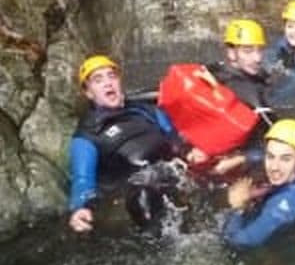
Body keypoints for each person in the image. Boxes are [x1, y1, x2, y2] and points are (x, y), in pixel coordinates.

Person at [68, 55, 208, 233]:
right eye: (98, 80)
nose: (108, 83)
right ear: (88, 92)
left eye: (112, 76)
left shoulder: (145, 110)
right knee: (143, 195)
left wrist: (190, 151)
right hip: (131, 196)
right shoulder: (87, 136)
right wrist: (81, 207)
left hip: (171, 176)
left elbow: (175, 138)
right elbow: (83, 179)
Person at [206, 19, 295, 175]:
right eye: (248, 51)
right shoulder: (252, 96)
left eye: (259, 50)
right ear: (231, 52)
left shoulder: (214, 69)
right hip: (238, 152)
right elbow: (281, 135)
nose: (257, 58)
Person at [222, 119, 295, 248]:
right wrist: (241, 158)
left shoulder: (284, 206)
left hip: (288, 234)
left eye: (285, 159)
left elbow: (239, 241)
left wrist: (238, 207)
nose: (274, 167)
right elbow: (263, 154)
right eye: (270, 156)